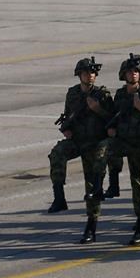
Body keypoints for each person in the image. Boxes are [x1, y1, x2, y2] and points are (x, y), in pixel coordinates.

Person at [47, 57, 113, 244]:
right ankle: (59, 196)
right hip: (77, 140)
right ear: (79, 75)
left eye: (92, 73)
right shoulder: (73, 94)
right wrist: (67, 129)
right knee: (57, 152)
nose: (90, 76)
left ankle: (91, 226)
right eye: (86, 73)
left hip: (95, 142)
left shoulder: (103, 95)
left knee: (92, 186)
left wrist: (98, 109)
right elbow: (69, 115)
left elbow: (112, 120)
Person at [105, 54, 140, 245]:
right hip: (126, 143)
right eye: (130, 72)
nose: (133, 74)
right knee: (107, 150)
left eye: (137, 71)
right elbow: (115, 115)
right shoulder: (121, 94)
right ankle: (113, 183)